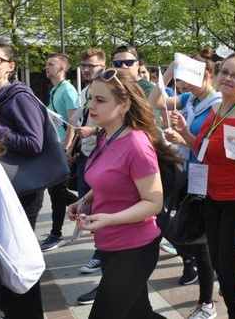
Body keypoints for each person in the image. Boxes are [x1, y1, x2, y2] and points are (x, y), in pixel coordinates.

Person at [67, 68, 180, 318]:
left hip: (135, 246)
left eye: (100, 100)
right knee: (139, 314)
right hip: (109, 243)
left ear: (124, 104)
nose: (91, 106)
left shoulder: (137, 144)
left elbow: (153, 202)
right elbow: (110, 181)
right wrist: (84, 201)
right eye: (90, 99)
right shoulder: (106, 136)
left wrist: (110, 218)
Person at [150, 50, 221, 319]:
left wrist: (185, 138)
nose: (182, 85)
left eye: (187, 78)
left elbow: (217, 149)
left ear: (206, 74)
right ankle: (208, 277)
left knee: (201, 243)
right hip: (187, 177)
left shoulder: (218, 104)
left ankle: (207, 303)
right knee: (181, 231)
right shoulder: (189, 98)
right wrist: (169, 69)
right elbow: (155, 101)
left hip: (208, 180)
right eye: (180, 79)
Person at [192, 53, 235, 319]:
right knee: (221, 268)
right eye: (225, 72)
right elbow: (206, 150)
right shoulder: (217, 109)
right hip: (212, 199)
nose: (228, 78)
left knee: (231, 273)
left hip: (234, 204)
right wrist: (186, 135)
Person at [0, 39, 45, 317]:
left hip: (22, 191)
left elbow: (33, 144)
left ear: (11, 66)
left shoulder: (18, 97)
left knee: (17, 256)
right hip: (4, 190)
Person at [72, 49, 107, 289]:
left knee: (103, 204)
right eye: (84, 65)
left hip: (104, 153)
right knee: (88, 203)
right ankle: (101, 251)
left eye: (91, 66)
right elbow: (77, 120)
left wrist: (93, 131)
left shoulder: (109, 88)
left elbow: (121, 126)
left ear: (103, 66)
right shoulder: (85, 91)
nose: (86, 69)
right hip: (87, 153)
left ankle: (101, 253)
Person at [41, 53, 81, 252]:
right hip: (55, 147)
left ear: (62, 68)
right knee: (56, 191)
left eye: (51, 64)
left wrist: (67, 147)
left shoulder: (67, 90)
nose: (46, 67)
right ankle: (88, 205)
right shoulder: (55, 89)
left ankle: (57, 234)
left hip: (62, 149)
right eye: (46, 64)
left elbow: (73, 121)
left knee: (57, 193)